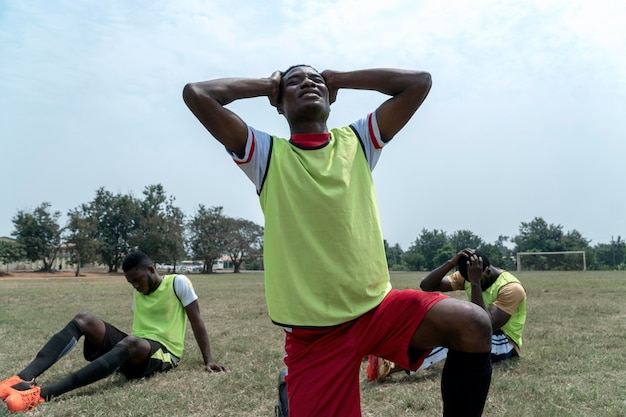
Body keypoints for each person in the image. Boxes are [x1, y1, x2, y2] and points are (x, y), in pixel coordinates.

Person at [183, 65, 493, 417]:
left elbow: (418, 83)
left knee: (473, 324)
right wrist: (268, 84)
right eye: (294, 82)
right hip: (315, 335)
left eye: (315, 80)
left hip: (378, 309)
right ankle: (291, 394)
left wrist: (339, 79)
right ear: (280, 105)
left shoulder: (357, 141)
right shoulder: (266, 154)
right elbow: (197, 94)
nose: (308, 84)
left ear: (330, 97)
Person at [0, 251, 227, 413]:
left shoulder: (178, 283)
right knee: (84, 319)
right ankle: (21, 378)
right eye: (130, 283)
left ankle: (41, 394)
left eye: (137, 280)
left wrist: (208, 360)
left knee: (132, 342)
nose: (135, 286)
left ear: (151, 269)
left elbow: (197, 321)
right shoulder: (139, 291)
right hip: (134, 347)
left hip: (163, 354)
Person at [369, 248, 527, 381]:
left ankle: (393, 366)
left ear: (484, 271)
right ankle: (392, 354)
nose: (468, 282)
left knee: (456, 337)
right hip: (483, 333)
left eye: (473, 279)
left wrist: (475, 283)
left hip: (505, 343)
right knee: (444, 328)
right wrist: (451, 263)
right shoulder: (468, 276)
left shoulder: (510, 288)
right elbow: (427, 285)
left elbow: (486, 326)